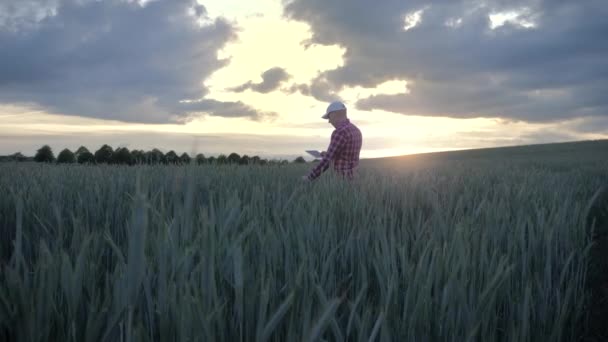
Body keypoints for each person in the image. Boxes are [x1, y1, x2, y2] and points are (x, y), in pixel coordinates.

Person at [303, 101, 362, 181]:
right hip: (355, 178)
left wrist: (309, 178)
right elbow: (347, 155)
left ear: (334, 115)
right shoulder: (356, 130)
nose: (329, 121)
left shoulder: (339, 132)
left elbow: (327, 161)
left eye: (329, 117)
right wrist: (327, 154)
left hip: (342, 180)